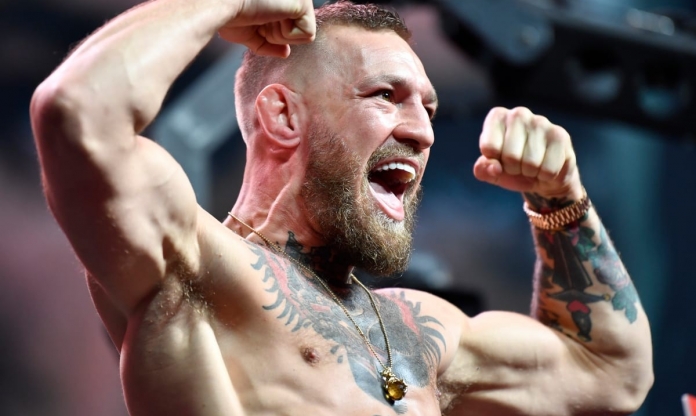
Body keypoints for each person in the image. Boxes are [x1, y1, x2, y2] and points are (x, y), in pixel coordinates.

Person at [30, 0, 653, 414]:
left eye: (428, 108)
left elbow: (611, 374)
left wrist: (561, 200)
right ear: (283, 116)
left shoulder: (419, 334)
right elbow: (78, 112)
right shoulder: (195, 270)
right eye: (385, 95)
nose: (422, 131)